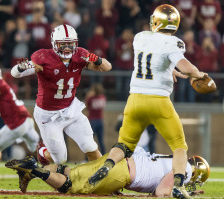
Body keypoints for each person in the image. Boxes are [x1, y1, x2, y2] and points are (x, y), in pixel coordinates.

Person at [87, 4, 207, 199]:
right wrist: (197, 73)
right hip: (158, 101)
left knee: (124, 145)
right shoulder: (173, 43)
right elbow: (184, 65)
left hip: (134, 99)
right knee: (179, 146)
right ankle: (177, 185)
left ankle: (106, 166)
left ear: (156, 21)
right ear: (174, 23)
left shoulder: (140, 38)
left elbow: (153, 61)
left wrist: (171, 71)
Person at [11, 24, 112, 165]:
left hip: (70, 109)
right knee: (60, 159)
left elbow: (107, 67)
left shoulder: (80, 55)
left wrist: (98, 60)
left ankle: (105, 181)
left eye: (70, 44)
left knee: (90, 146)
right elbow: (15, 73)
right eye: (63, 44)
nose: (67, 48)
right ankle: (42, 151)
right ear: (54, 44)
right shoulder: (43, 57)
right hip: (48, 114)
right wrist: (21, 67)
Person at [5, 146, 210, 197]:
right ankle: (34, 170)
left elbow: (137, 151)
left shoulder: (171, 158)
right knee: (70, 187)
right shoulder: (185, 171)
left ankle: (31, 168)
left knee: (70, 172)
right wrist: (185, 193)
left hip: (116, 163)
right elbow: (160, 193)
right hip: (122, 175)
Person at [85, 83, 106, 154]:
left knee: (89, 140)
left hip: (92, 120)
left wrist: (88, 96)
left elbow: (87, 107)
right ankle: (103, 156)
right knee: (101, 141)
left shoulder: (91, 98)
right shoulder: (103, 97)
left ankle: (87, 158)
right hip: (100, 120)